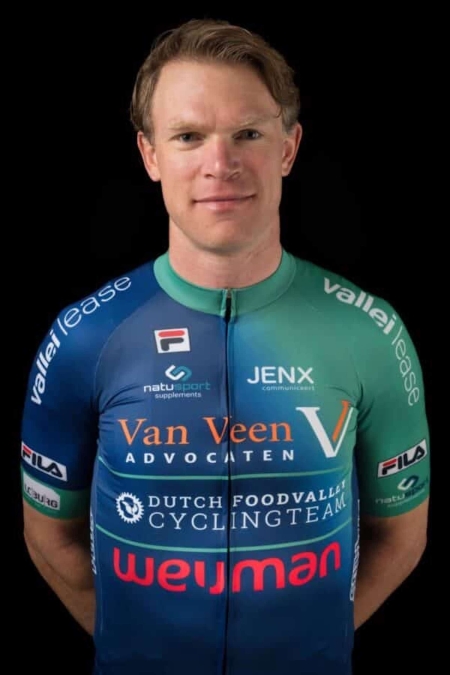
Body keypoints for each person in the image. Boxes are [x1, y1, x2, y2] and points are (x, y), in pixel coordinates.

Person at [20, 18, 430, 675]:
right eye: (188, 136)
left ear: (289, 148)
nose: (221, 164)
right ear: (150, 155)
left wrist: (311, 644)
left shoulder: (368, 332)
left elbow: (401, 535)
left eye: (248, 133)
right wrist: (138, 650)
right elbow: (49, 532)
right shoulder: (86, 337)